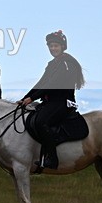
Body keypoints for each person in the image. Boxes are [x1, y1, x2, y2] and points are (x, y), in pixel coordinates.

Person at [17, 30, 86, 171]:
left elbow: (52, 85)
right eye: (51, 46)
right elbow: (41, 83)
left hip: (62, 102)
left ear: (62, 46)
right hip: (50, 102)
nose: (53, 49)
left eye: (56, 46)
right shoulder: (52, 64)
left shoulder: (66, 63)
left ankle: (52, 159)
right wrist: (25, 98)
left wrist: (32, 98)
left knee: (41, 122)